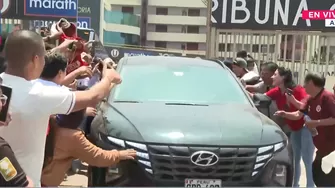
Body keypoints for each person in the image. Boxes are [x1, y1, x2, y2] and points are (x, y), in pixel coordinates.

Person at [0, 30, 121, 186]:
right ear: (36, 60)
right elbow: (93, 96)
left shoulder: (19, 88)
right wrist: (108, 77)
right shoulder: (40, 93)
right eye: (43, 58)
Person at [36, 52, 136, 186]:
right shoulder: (72, 137)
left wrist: (109, 83)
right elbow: (99, 157)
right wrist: (120, 154)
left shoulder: (53, 118)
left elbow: (86, 97)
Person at [275, 72, 335, 186]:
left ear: (311, 83)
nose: (303, 86)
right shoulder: (310, 99)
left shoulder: (327, 97)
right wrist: (285, 114)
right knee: (319, 175)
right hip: (322, 147)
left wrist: (315, 123)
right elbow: (299, 114)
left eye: (305, 83)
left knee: (324, 178)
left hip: (331, 147)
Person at [263, 67, 314, 187]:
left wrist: (293, 100)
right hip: (295, 128)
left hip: (306, 126)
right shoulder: (277, 91)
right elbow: (261, 96)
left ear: (283, 77)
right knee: (295, 160)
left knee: (307, 160)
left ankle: (311, 185)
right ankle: (294, 185)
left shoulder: (298, 90)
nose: (272, 77)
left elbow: (305, 108)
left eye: (275, 74)